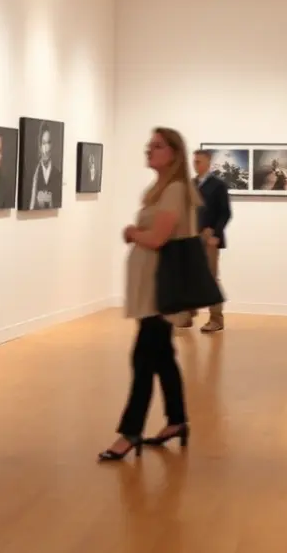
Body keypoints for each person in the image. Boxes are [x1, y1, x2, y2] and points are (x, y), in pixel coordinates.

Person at [99, 127, 198, 462]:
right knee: (162, 357)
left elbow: (157, 239)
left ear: (174, 153)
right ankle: (176, 421)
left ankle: (129, 433)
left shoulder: (174, 191)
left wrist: (131, 232)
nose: (148, 150)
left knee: (143, 360)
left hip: (160, 290)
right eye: (148, 145)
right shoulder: (161, 190)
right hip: (153, 288)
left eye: (156, 146)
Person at [193, 149, 231, 333]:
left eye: (198, 161)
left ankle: (216, 318)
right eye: (194, 161)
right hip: (191, 237)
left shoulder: (218, 185)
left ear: (208, 163)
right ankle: (186, 315)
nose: (195, 164)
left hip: (209, 239)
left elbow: (225, 212)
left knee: (210, 278)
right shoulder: (191, 184)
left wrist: (215, 233)